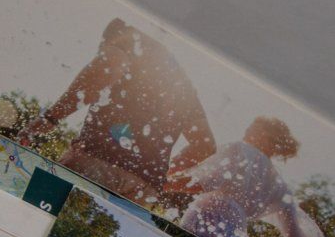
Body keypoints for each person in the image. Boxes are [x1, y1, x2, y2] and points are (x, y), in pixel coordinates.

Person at [19, 18, 215, 205]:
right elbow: (205, 146)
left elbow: (110, 65)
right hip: (144, 189)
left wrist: (52, 117)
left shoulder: (131, 35)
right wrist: (161, 173)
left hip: (98, 161)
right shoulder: (183, 82)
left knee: (34, 216)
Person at [167, 116, 332, 237]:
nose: (245, 132)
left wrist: (162, 181)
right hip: (234, 233)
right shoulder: (280, 186)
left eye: (251, 128)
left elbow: (203, 182)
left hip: (206, 215)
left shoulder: (239, 149)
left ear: (263, 135)